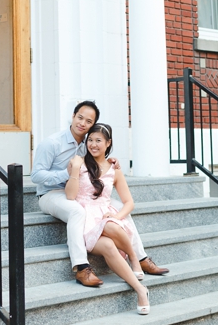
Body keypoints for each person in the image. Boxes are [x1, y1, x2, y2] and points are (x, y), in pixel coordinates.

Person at [30, 100, 169, 287]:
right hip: (51, 194)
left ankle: (141, 258)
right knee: (76, 211)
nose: (82, 123)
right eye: (80, 117)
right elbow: (36, 176)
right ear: (72, 116)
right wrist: (69, 172)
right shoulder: (52, 143)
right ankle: (81, 267)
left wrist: (109, 161)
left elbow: (97, 155)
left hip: (82, 191)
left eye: (88, 121)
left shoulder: (87, 142)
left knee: (119, 207)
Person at [66, 123, 150, 314]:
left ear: (108, 143)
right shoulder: (78, 163)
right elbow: (70, 196)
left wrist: (117, 215)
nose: (93, 145)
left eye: (98, 141)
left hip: (106, 216)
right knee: (108, 239)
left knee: (111, 228)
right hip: (86, 222)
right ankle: (137, 274)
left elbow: (129, 202)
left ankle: (137, 275)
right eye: (90, 140)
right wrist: (75, 170)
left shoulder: (114, 168)